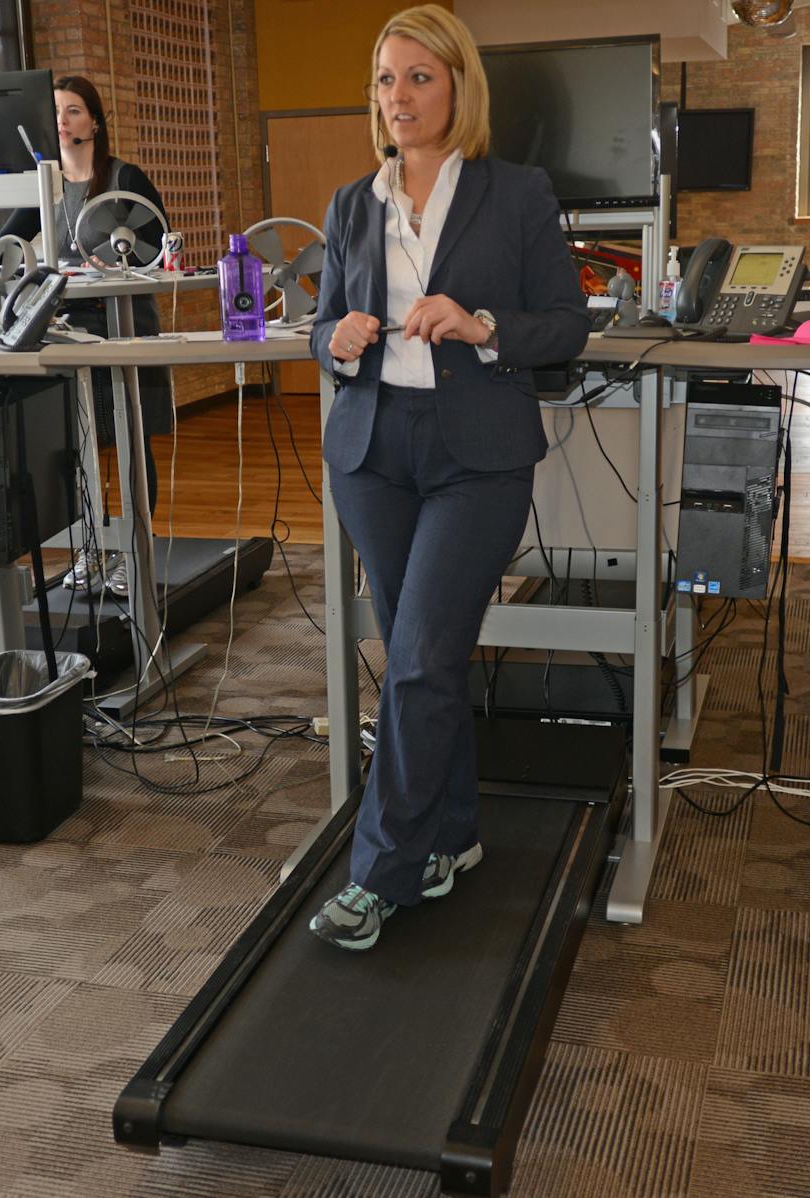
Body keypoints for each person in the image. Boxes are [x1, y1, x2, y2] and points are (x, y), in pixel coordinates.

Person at [306, 5, 589, 951]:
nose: (400, 97)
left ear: (459, 86)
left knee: (419, 658)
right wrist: (335, 339)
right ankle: (453, 835)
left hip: (476, 457)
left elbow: (567, 322)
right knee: (425, 661)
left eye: (419, 77)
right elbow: (322, 327)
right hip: (373, 456)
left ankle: (380, 873)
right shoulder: (354, 204)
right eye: (386, 80)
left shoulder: (515, 194)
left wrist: (481, 323)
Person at [0, 75, 172, 597]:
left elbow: (158, 244)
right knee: (76, 445)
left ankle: (134, 552)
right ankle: (90, 548)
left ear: (95, 122)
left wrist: (120, 263)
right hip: (66, 330)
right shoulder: (45, 186)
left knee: (128, 442)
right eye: (56, 110)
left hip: (122, 326)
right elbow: (7, 246)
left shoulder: (123, 178)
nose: (63, 118)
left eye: (74, 110)